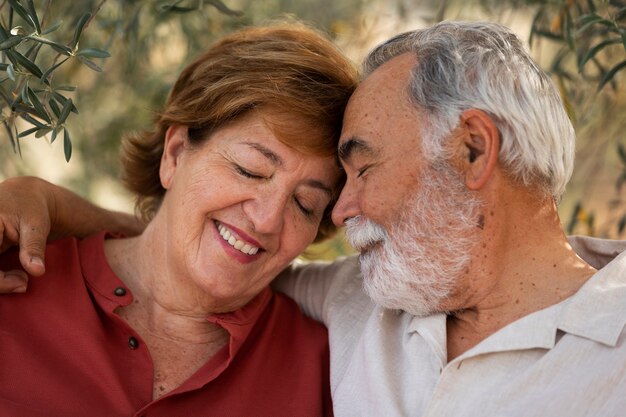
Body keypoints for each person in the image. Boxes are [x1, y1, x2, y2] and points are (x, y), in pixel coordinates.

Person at [2, 20, 626, 417]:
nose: (340, 208)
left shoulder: (337, 323)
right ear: (174, 152)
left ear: (472, 149)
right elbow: (199, 251)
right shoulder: (360, 298)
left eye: (313, 201)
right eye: (251, 169)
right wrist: (48, 203)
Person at [0, 22, 358, 416]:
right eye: (250, 169)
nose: (268, 219)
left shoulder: (328, 374)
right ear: (174, 154)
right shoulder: (16, 279)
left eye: (305, 204)